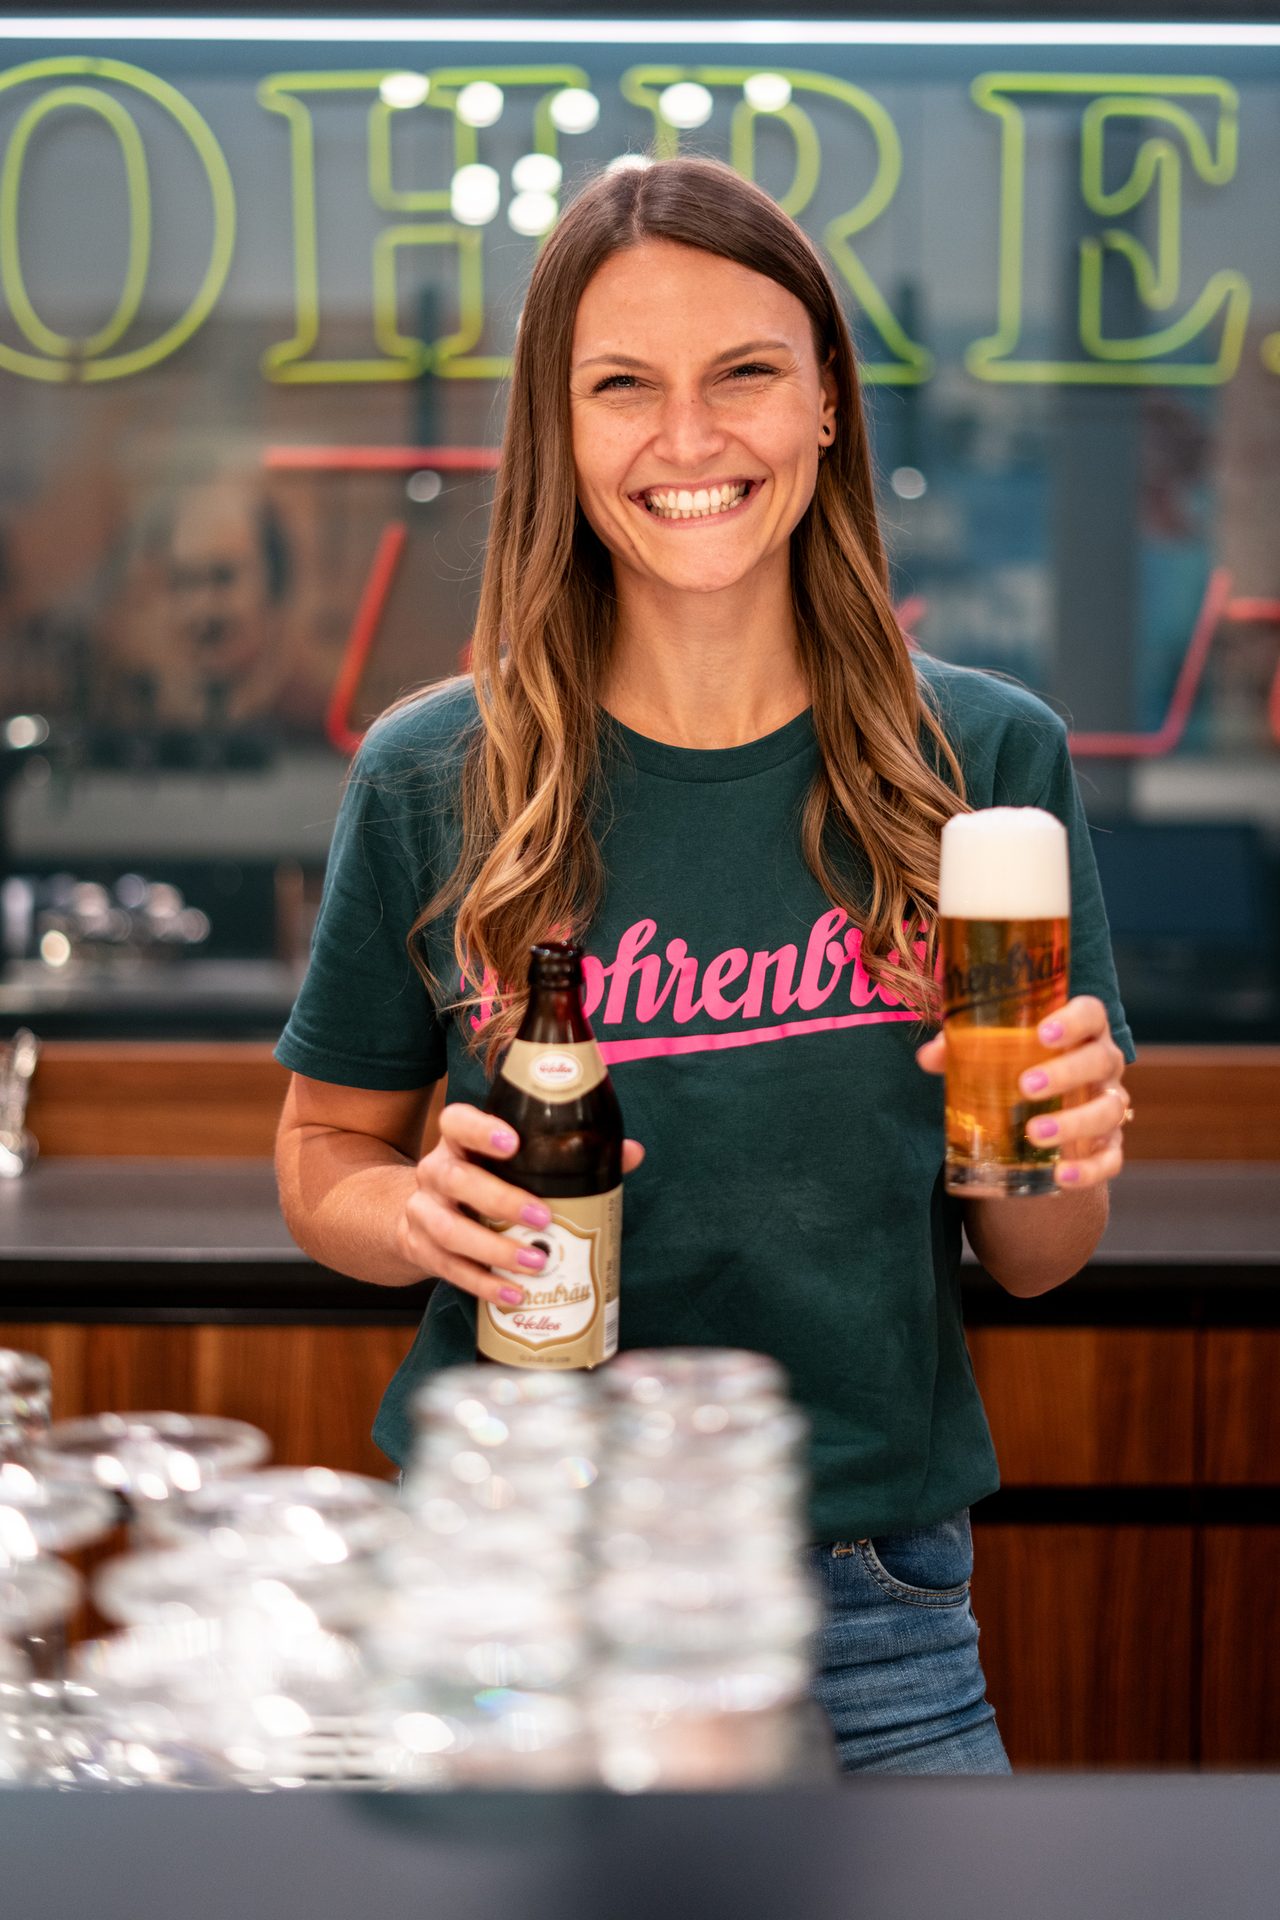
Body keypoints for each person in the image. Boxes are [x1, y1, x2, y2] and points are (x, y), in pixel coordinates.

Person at [274, 157, 1134, 1775]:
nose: (688, 439)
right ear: (562, 431)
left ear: (825, 405)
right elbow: (322, 1153)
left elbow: (1035, 1258)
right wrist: (408, 1211)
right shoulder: (429, 774)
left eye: (745, 372)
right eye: (623, 388)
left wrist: (1062, 1148)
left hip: (870, 1593)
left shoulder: (983, 761)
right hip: (504, 1572)